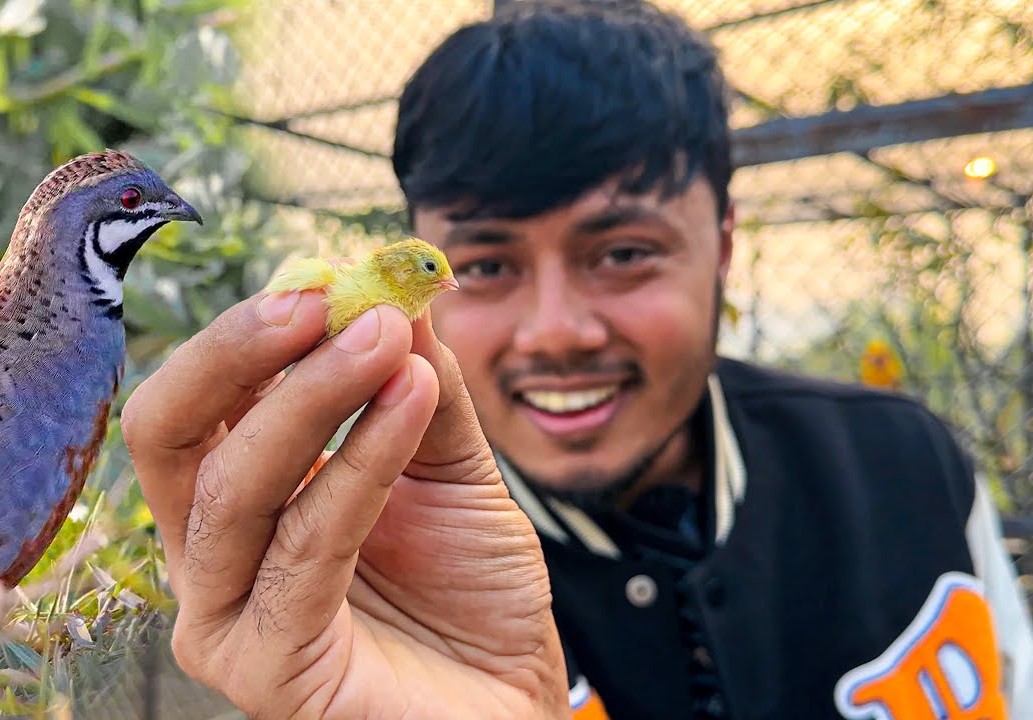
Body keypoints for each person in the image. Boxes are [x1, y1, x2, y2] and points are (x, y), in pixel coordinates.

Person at [121, 0, 1033, 717]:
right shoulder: (358, 571)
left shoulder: (913, 466)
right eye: (482, 264)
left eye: (623, 252)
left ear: (724, 242)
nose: (555, 331)